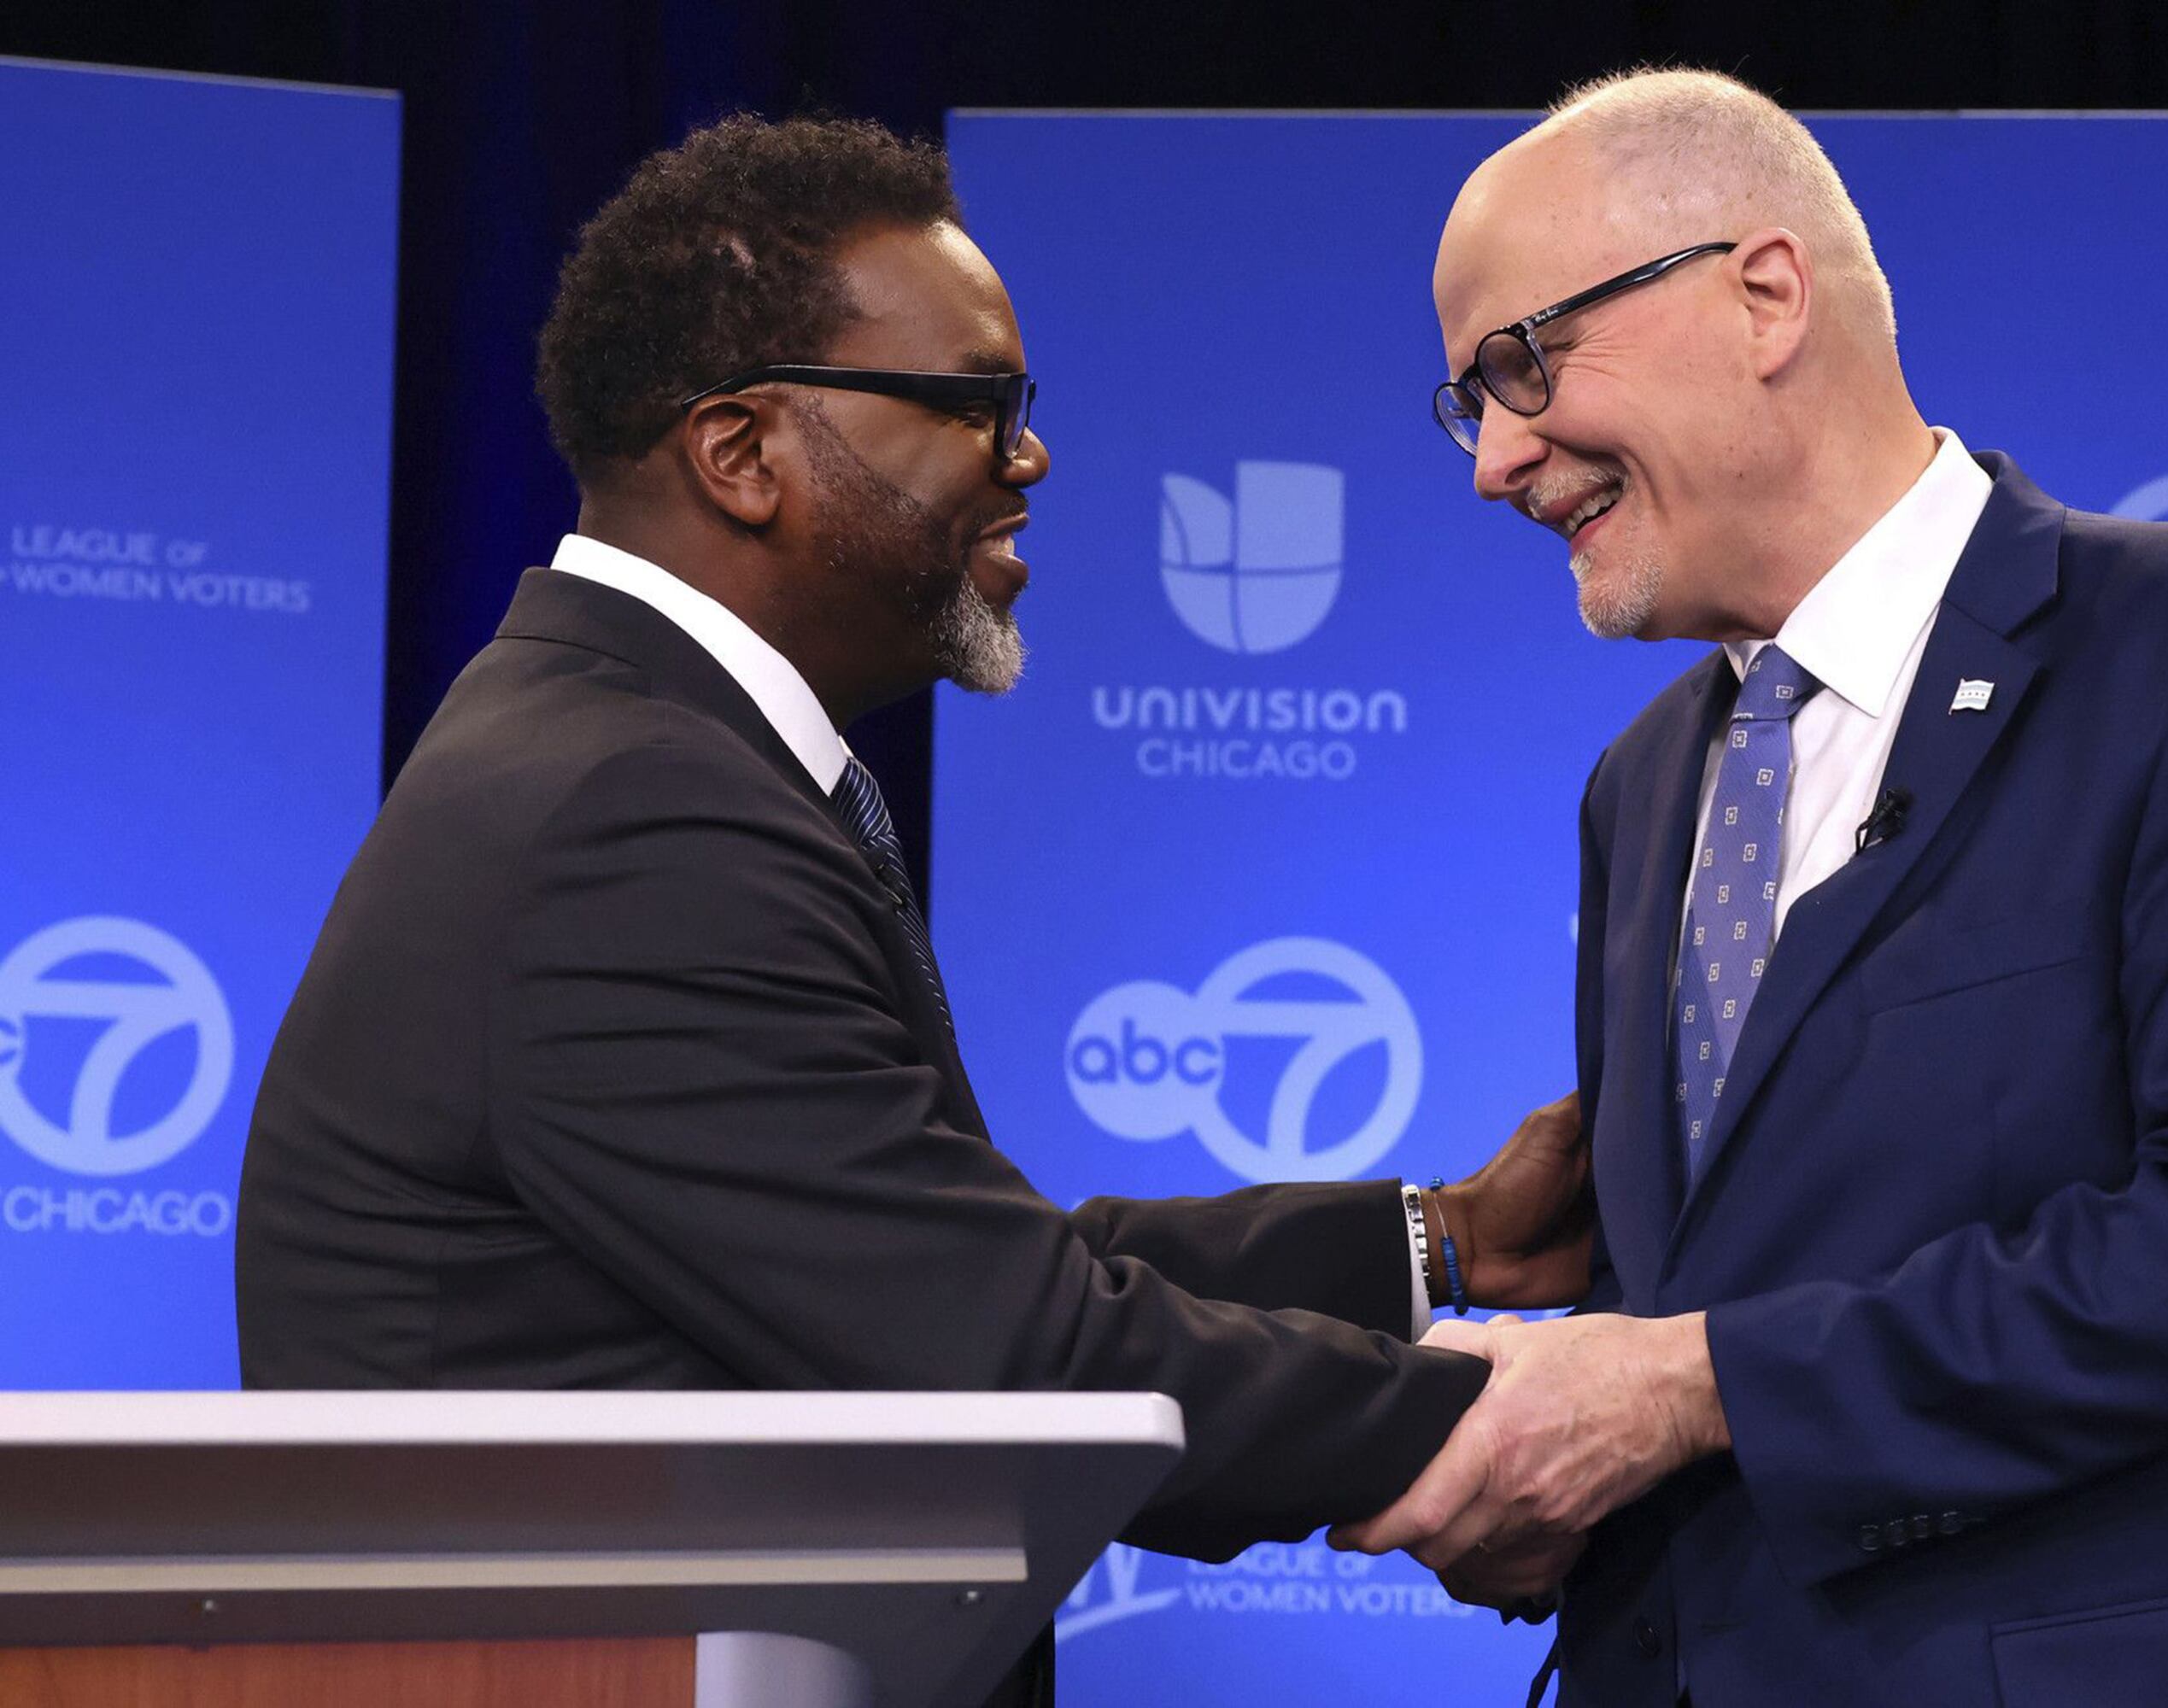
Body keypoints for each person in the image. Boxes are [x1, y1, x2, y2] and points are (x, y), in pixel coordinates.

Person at [232, 114, 1596, 1708]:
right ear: (740, 453)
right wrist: (1499, 1427)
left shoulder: (628, 750)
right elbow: (1007, 1360)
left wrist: (1441, 1244)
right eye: (978, 407)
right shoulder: (631, 813)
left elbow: (938, 1273)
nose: (1026, 459)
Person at [1331, 68, 2168, 1707]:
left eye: (1524, 363)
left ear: (1765, 294)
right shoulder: (1642, 787)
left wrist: (1687, 1388)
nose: (1497, 460)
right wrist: (1546, 1485)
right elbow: (1708, 1304)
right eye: (1471, 403)